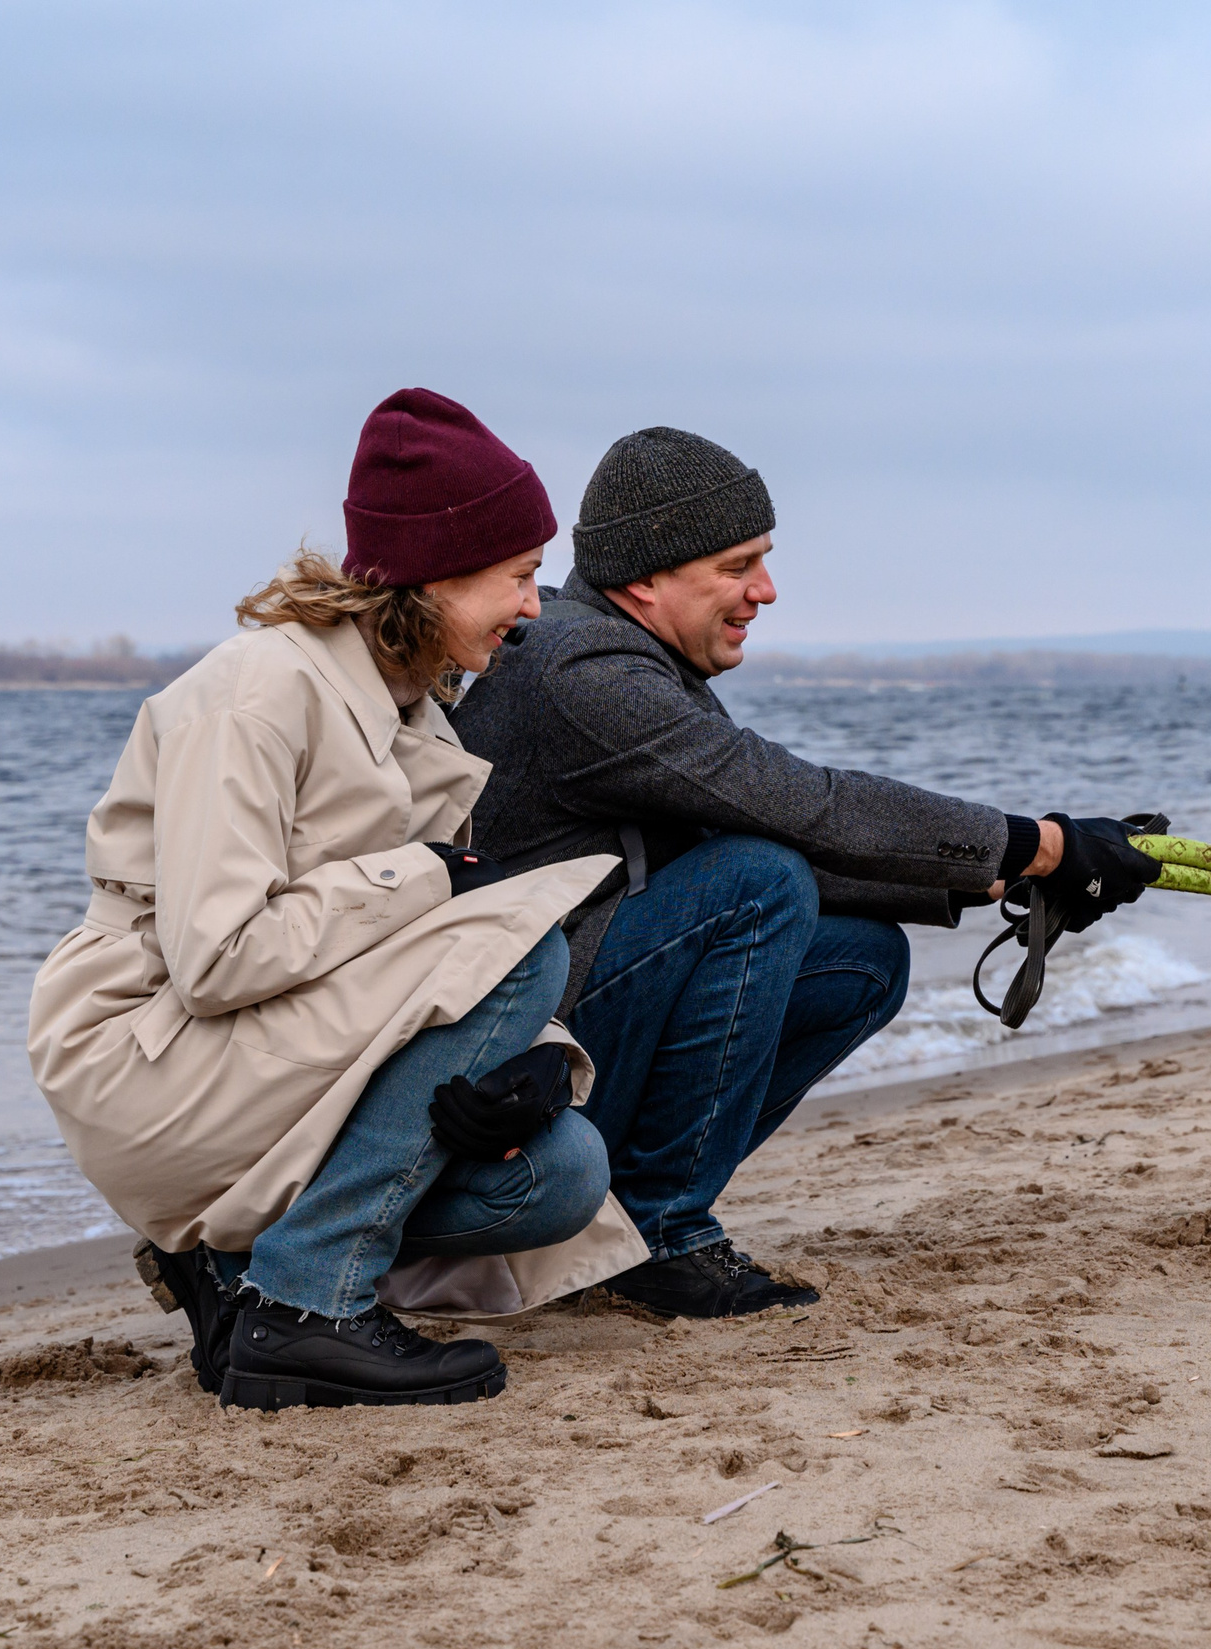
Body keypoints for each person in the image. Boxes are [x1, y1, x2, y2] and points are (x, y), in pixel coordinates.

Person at [451, 427, 1164, 1318]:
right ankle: (663, 1230)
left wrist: (987, 881)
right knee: (758, 880)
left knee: (862, 958)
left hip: (569, 1013)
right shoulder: (586, 672)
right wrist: (1039, 844)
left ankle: (629, 1214)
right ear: (646, 576)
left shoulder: (614, 647)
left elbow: (733, 828)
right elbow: (798, 803)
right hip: (515, 1059)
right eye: (738, 565)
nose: (766, 590)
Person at [28, 388, 646, 1410]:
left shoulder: (414, 713)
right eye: (520, 578)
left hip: (260, 1049)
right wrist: (429, 876)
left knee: (563, 1172)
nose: (536, 608)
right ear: (435, 575)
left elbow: (400, 965)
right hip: (146, 1049)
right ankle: (308, 1306)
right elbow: (219, 956)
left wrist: (529, 1057)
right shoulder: (260, 691)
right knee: (521, 945)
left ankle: (239, 1272)